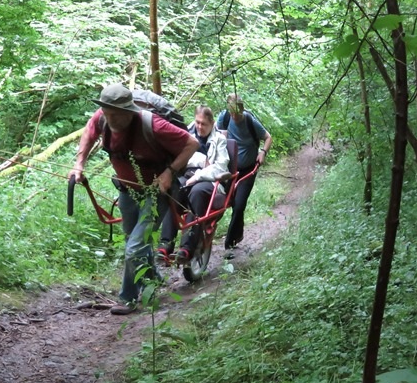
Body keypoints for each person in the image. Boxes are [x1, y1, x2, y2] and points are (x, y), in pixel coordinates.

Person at [69, 84, 199, 315]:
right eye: (107, 113)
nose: (111, 119)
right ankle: (154, 279)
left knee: (135, 247)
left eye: (117, 114)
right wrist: (79, 164)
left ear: (130, 111)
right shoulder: (102, 118)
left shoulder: (153, 125)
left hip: (156, 192)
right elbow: (89, 133)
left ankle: (127, 298)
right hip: (127, 189)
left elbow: (192, 143)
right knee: (133, 239)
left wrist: (169, 172)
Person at [156, 106, 230, 264]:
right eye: (197, 122)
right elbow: (176, 158)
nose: (200, 127)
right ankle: (165, 244)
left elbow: (220, 167)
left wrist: (199, 174)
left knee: (197, 192)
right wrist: (201, 161)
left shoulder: (219, 139)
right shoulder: (186, 134)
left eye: (204, 124)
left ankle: (187, 248)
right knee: (172, 191)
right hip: (186, 175)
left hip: (210, 181)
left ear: (211, 123)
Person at [216, 93, 272, 256]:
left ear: (241, 108)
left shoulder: (249, 120)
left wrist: (262, 152)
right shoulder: (224, 117)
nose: (234, 116)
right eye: (232, 112)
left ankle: (230, 244)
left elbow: (268, 137)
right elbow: (221, 140)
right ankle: (205, 235)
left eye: (237, 112)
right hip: (229, 168)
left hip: (248, 169)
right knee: (219, 200)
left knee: (239, 205)